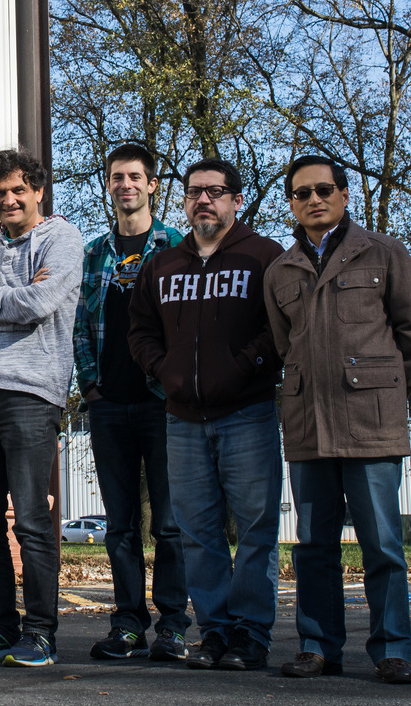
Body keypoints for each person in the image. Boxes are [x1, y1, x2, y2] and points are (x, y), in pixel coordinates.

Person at [263, 155, 411, 684]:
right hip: (308, 426)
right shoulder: (280, 270)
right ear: (291, 204)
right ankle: (317, 646)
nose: (313, 199)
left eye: (323, 190)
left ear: (343, 194)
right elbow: (281, 344)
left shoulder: (383, 254)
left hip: (370, 424)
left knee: (381, 544)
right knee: (313, 546)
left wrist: (383, 392)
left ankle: (391, 649)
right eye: (301, 193)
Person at [127, 158, 284, 671]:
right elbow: (141, 332)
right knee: (198, 532)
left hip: (248, 413)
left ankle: (250, 634)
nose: (204, 201)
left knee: (257, 529)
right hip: (183, 419)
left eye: (215, 192)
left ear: (236, 200)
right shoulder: (163, 264)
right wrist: (165, 372)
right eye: (195, 192)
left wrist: (242, 368)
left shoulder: (264, 257)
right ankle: (215, 631)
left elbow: (278, 329)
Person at [0, 149, 83, 668]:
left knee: (30, 521)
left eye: (17, 190)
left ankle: (41, 635)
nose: (8, 199)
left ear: (38, 191)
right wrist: (2, 299)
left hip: (32, 393)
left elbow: (40, 304)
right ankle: (0, 630)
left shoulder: (61, 239)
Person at [71, 143, 189, 661]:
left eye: (135, 176)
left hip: (162, 404)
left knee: (168, 522)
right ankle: (127, 624)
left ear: (152, 184)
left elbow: (188, 328)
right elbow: (79, 326)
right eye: (117, 176)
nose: (126, 185)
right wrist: (92, 386)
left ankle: (173, 625)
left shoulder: (177, 247)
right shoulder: (94, 252)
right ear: (109, 184)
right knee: (119, 524)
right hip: (109, 405)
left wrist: (176, 385)